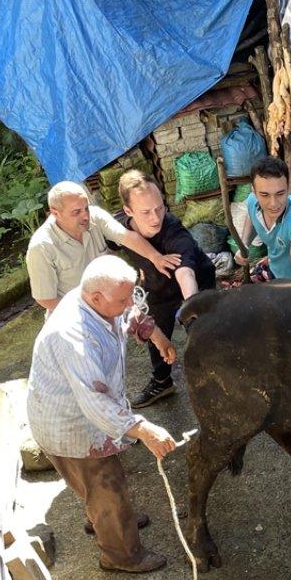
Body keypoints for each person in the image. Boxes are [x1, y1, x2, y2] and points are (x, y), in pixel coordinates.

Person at [26, 255, 177, 573]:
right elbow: (94, 402)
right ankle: (121, 554)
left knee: (97, 487)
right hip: (71, 425)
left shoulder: (99, 299)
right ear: (95, 298)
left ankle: (107, 517)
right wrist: (144, 429)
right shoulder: (73, 335)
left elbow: (130, 312)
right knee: (106, 483)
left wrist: (155, 335)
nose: (128, 304)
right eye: (122, 299)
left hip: (82, 415)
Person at [112, 170, 216, 408]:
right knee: (156, 334)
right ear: (128, 212)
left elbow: (185, 272)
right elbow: (106, 245)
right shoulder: (118, 228)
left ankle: (216, 373)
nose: (155, 218)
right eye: (145, 212)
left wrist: (193, 305)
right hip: (156, 286)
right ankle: (162, 382)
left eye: (160, 208)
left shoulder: (173, 230)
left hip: (196, 280)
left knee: (204, 330)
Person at [25, 180, 181, 313]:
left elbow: (126, 236)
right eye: (76, 212)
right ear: (55, 214)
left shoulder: (95, 216)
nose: (86, 216)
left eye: (86, 207)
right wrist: (88, 313)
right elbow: (45, 299)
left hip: (109, 303)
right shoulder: (41, 247)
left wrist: (156, 257)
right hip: (73, 315)